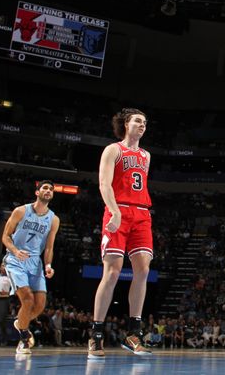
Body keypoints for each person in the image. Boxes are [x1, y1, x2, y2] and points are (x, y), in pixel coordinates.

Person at [89, 108, 154, 359]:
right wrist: (114, 211)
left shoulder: (146, 156)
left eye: (145, 122)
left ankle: (133, 334)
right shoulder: (113, 150)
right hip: (118, 211)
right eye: (138, 121)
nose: (142, 125)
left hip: (141, 214)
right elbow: (104, 183)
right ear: (126, 124)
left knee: (143, 270)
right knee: (113, 272)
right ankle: (96, 334)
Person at [1, 180, 60, 356]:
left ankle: (20, 323)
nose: (48, 190)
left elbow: (49, 247)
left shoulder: (54, 219)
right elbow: (5, 236)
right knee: (27, 299)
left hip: (35, 263)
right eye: (45, 188)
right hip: (15, 259)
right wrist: (15, 251)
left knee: (40, 305)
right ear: (37, 192)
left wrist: (48, 265)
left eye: (51, 189)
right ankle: (24, 338)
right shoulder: (21, 211)